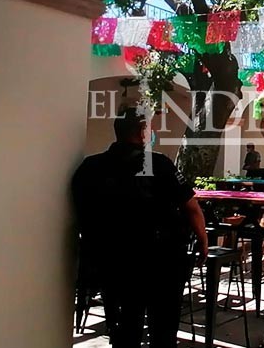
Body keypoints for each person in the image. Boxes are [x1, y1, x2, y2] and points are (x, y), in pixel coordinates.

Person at [72, 108, 208, 347]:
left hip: (112, 262)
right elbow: (192, 208)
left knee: (124, 327)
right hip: (160, 262)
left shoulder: (89, 168)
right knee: (163, 327)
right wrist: (203, 240)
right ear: (142, 132)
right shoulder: (159, 164)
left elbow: (82, 211)